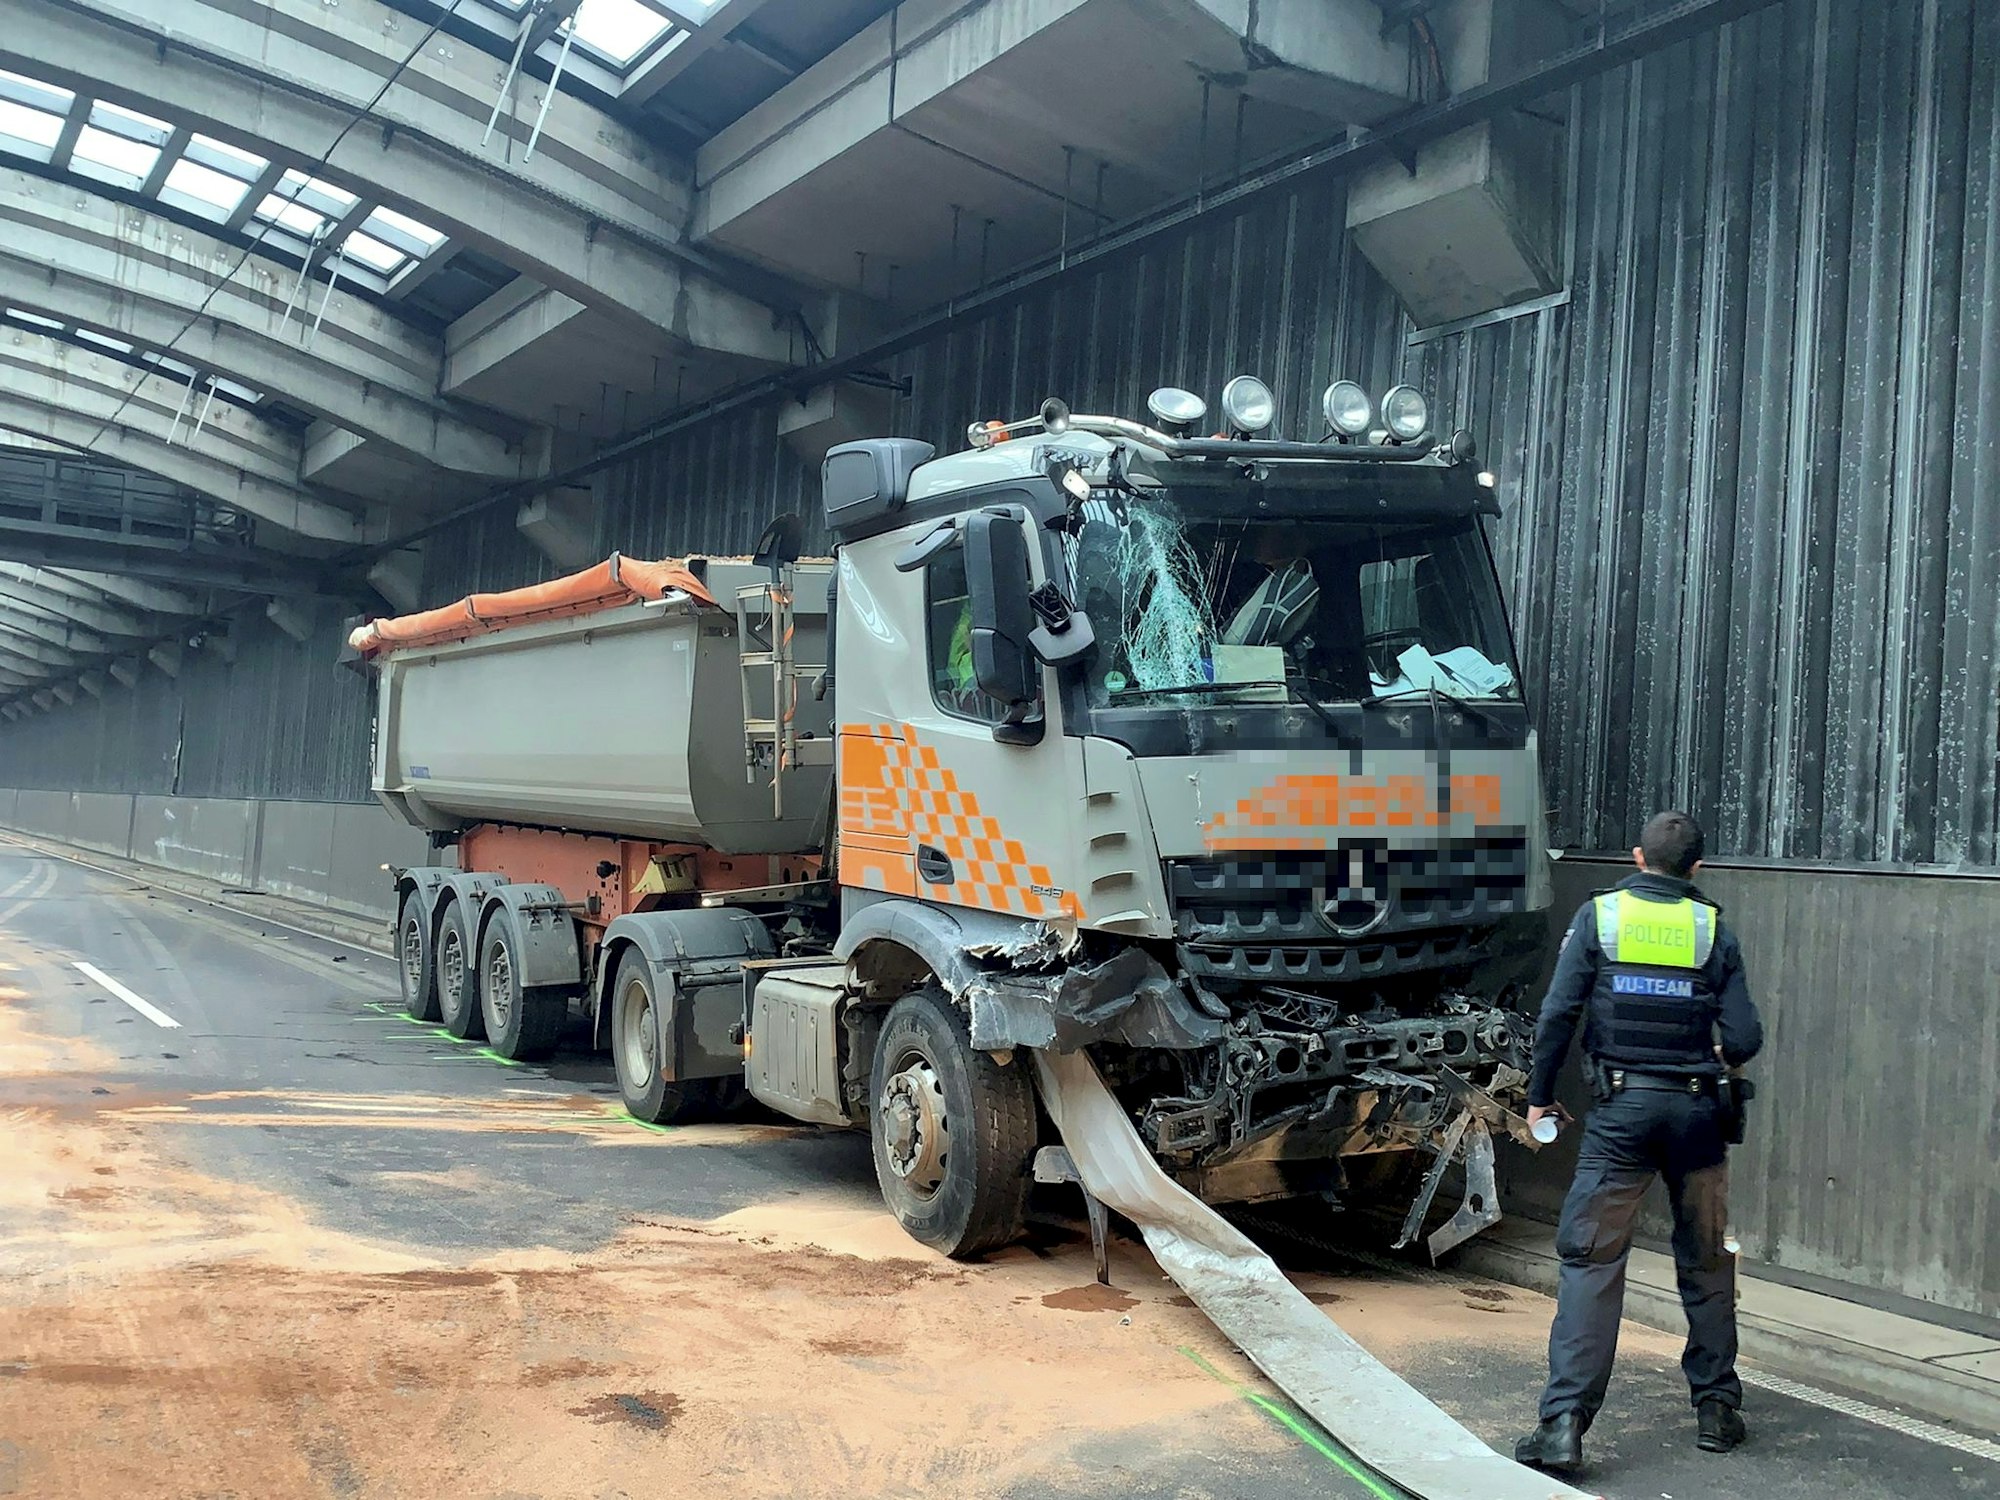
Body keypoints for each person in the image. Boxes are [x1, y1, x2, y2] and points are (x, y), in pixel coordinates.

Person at [1513, 810, 1764, 1475]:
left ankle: (1564, 1425)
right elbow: (1743, 1039)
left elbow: (1559, 1013)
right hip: (1697, 1118)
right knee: (1706, 1261)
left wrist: (1539, 1094)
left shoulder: (1602, 917)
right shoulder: (1712, 927)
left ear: (1636, 856)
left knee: (1592, 1262)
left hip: (1621, 1115)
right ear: (1697, 868)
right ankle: (1717, 1411)